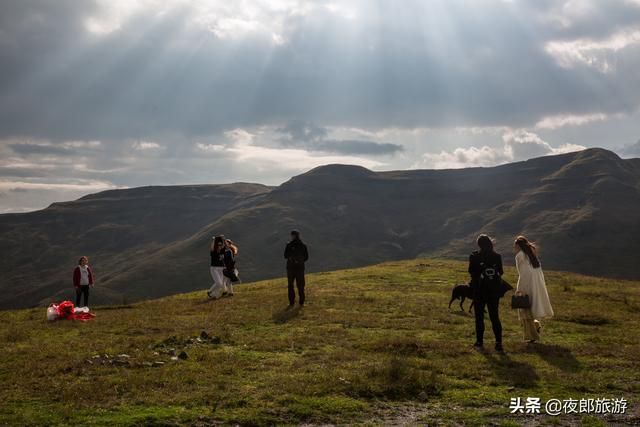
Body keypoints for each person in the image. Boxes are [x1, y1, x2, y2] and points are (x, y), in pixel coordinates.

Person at [514, 236, 554, 343]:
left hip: (526, 285)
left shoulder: (520, 256)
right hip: (536, 286)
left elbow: (522, 273)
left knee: (525, 311)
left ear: (518, 245)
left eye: (515, 245)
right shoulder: (532, 255)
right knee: (531, 309)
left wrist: (520, 289)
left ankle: (532, 335)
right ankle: (536, 325)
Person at [468, 234, 504, 353]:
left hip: (479, 290)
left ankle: (479, 342)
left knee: (479, 317)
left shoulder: (475, 256)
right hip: (494, 291)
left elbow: (471, 272)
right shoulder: (497, 256)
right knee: (494, 317)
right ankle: (498, 343)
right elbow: (501, 272)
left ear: (479, 244)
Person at [284, 230, 309, 307]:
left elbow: (285, 256)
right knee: (301, 285)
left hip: (291, 268)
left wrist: (292, 260)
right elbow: (306, 257)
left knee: (290, 285)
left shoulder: (289, 245)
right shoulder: (303, 245)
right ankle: (301, 302)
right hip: (300, 268)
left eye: (291, 235)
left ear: (293, 236)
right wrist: (300, 262)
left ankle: (291, 302)